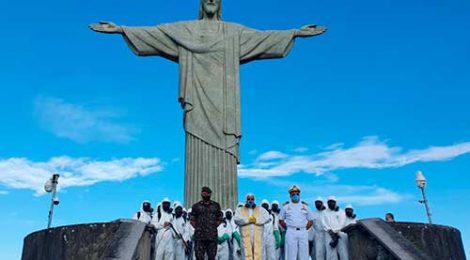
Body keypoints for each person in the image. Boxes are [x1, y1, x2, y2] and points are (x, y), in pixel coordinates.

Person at [279, 185, 314, 260]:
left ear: (299, 194)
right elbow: (281, 220)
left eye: (297, 194)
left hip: (303, 232)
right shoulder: (286, 207)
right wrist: (288, 228)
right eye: (293, 194)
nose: (295, 195)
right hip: (291, 232)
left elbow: (311, 220)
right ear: (290, 195)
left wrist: (304, 228)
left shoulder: (305, 206)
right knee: (290, 254)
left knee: (304, 254)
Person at [234, 193, 270, 260]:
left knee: (258, 253)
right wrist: (248, 220)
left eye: (252, 199)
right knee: (246, 254)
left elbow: (266, 217)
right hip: (245, 236)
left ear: (254, 200)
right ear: (246, 200)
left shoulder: (260, 209)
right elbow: (236, 219)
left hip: (258, 236)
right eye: (248, 199)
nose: (250, 200)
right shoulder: (240, 209)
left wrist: (256, 220)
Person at [191, 186, 223, 260]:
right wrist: (198, 228)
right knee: (199, 257)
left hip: (212, 237)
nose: (204, 195)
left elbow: (220, 218)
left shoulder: (216, 205)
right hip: (199, 237)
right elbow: (192, 219)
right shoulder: (196, 206)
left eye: (206, 193)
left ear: (210, 194)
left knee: (212, 257)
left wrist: (213, 226)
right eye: (203, 193)